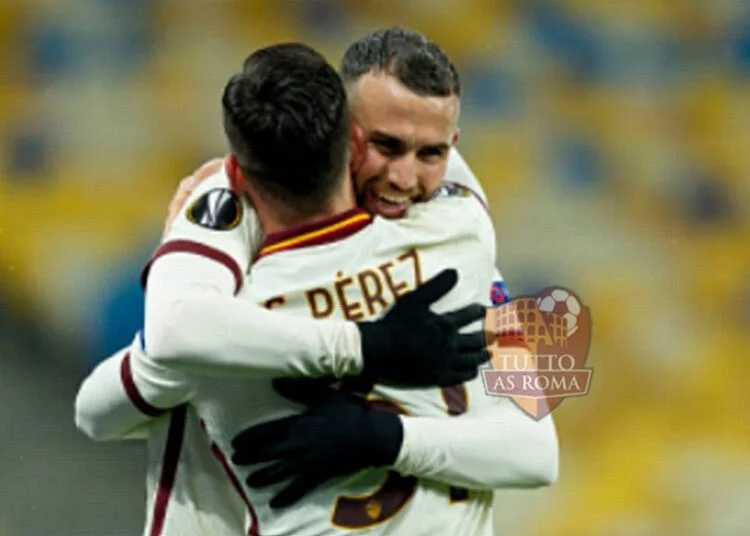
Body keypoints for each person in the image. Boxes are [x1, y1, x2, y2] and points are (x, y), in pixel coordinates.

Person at [76, 29, 557, 536]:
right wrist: (369, 355)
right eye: (385, 146)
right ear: (345, 135)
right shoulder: (461, 241)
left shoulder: (231, 313)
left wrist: (389, 438)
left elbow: (539, 452)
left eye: (431, 154)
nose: (402, 178)